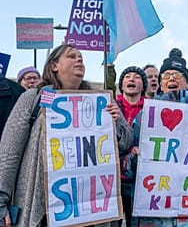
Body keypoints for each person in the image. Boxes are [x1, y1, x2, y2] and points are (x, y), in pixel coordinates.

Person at [0, 44, 134, 227]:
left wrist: (116, 120)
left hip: (88, 210)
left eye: (81, 57)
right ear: (54, 65)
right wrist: (1, 200)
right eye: (71, 56)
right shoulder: (33, 98)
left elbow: (125, 143)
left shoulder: (99, 101)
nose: (79, 59)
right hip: (44, 209)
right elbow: (10, 151)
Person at [129, 48, 188, 226]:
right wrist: (133, 160)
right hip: (155, 215)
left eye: (177, 74)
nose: (171, 79)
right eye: (166, 75)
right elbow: (125, 161)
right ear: (160, 84)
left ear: (187, 83)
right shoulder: (144, 117)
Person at [116, 66, 147, 227]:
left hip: (142, 181)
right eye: (127, 76)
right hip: (115, 180)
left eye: (137, 77)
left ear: (143, 86)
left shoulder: (153, 108)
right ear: (122, 85)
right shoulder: (110, 106)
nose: (132, 79)